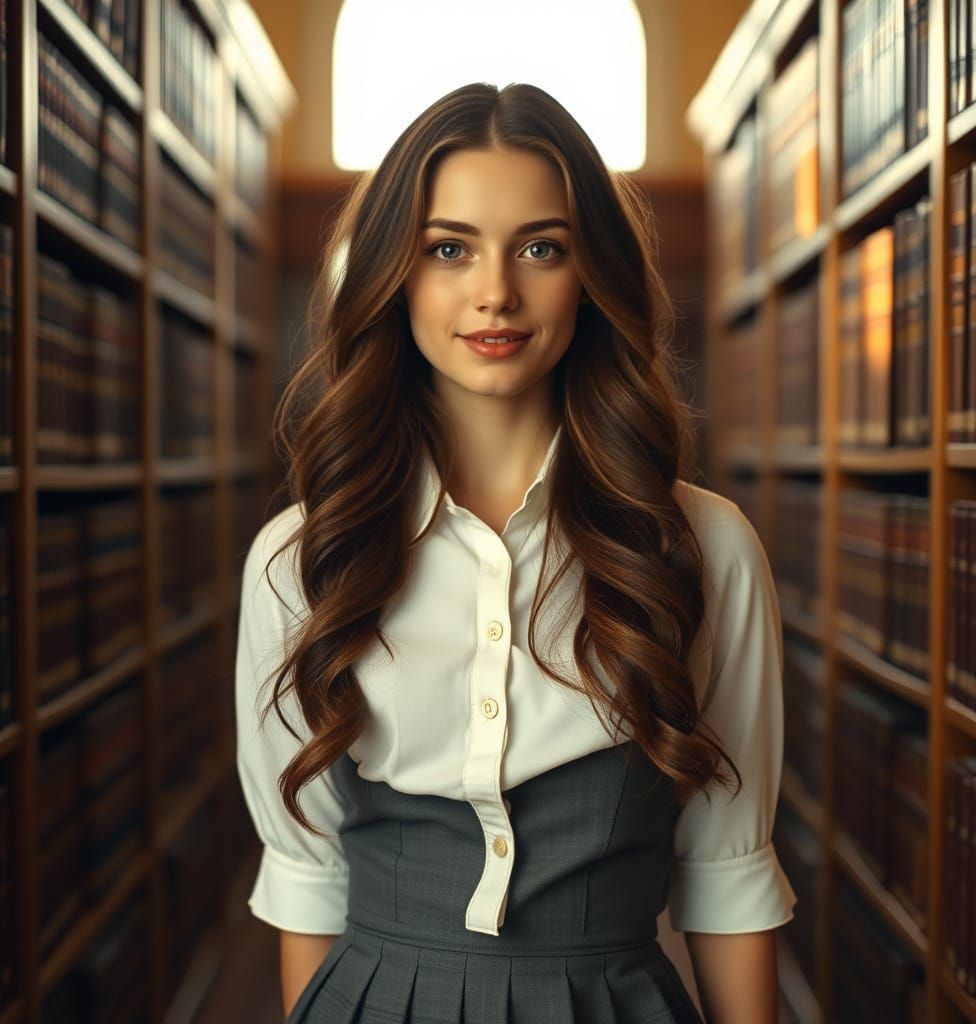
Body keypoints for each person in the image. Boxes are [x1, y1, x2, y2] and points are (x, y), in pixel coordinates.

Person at [235, 81, 797, 1024]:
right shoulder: (298, 558)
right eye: (447, 249)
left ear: (591, 275)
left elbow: (727, 870)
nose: (494, 291)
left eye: (541, 248)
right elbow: (307, 875)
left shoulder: (704, 547)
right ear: (394, 275)